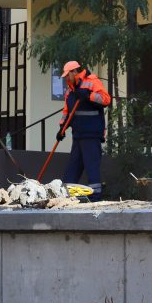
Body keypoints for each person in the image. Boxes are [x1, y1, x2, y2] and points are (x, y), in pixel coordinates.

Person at [57, 61, 111, 201]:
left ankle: (95, 197)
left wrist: (88, 96)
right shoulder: (70, 90)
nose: (66, 78)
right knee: (73, 167)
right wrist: (62, 128)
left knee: (91, 166)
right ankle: (66, 195)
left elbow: (106, 99)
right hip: (78, 135)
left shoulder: (92, 81)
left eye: (67, 75)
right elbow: (66, 111)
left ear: (74, 72)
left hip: (91, 134)